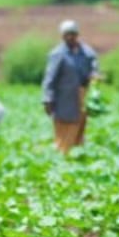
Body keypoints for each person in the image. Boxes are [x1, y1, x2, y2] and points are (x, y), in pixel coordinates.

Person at [42, 19, 99, 153]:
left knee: (79, 132)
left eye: (72, 34)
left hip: (81, 99)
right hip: (64, 101)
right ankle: (62, 155)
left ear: (77, 34)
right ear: (62, 36)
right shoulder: (58, 54)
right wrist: (47, 100)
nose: (70, 37)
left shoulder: (86, 53)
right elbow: (49, 79)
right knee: (64, 131)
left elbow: (93, 66)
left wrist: (94, 74)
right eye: (67, 35)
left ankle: (76, 155)